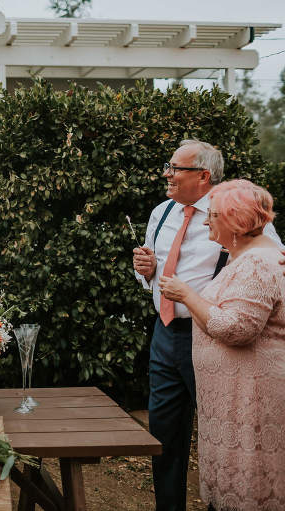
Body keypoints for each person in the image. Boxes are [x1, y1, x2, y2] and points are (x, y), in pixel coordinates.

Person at [132, 140, 281, 511]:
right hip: (165, 334)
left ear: (203, 175)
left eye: (174, 168)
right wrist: (145, 273)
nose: (167, 174)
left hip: (221, 343)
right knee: (164, 433)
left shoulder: (238, 214)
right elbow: (153, 272)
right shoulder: (161, 213)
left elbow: (269, 262)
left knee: (224, 428)